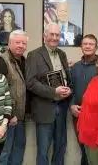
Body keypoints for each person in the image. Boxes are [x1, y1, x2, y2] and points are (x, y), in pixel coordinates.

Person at [26, 22, 72, 165]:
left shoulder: (62, 54)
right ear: (44, 36)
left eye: (57, 35)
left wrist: (69, 89)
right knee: (43, 150)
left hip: (62, 106)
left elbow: (66, 79)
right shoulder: (34, 55)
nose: (54, 37)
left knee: (60, 147)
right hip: (44, 108)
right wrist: (53, 92)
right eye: (51, 34)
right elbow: (31, 82)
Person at [0, 30, 29, 165]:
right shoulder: (2, 60)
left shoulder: (25, 61)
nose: (21, 45)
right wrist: (10, 115)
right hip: (7, 118)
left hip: (21, 118)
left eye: (24, 43)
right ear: (9, 43)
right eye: (17, 42)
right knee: (4, 153)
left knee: (18, 151)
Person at [70, 34, 98, 165]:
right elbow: (70, 88)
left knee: (94, 151)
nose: (87, 46)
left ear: (96, 47)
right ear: (81, 46)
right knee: (83, 148)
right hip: (78, 115)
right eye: (85, 44)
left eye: (91, 44)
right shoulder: (75, 67)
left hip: (95, 116)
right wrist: (71, 105)